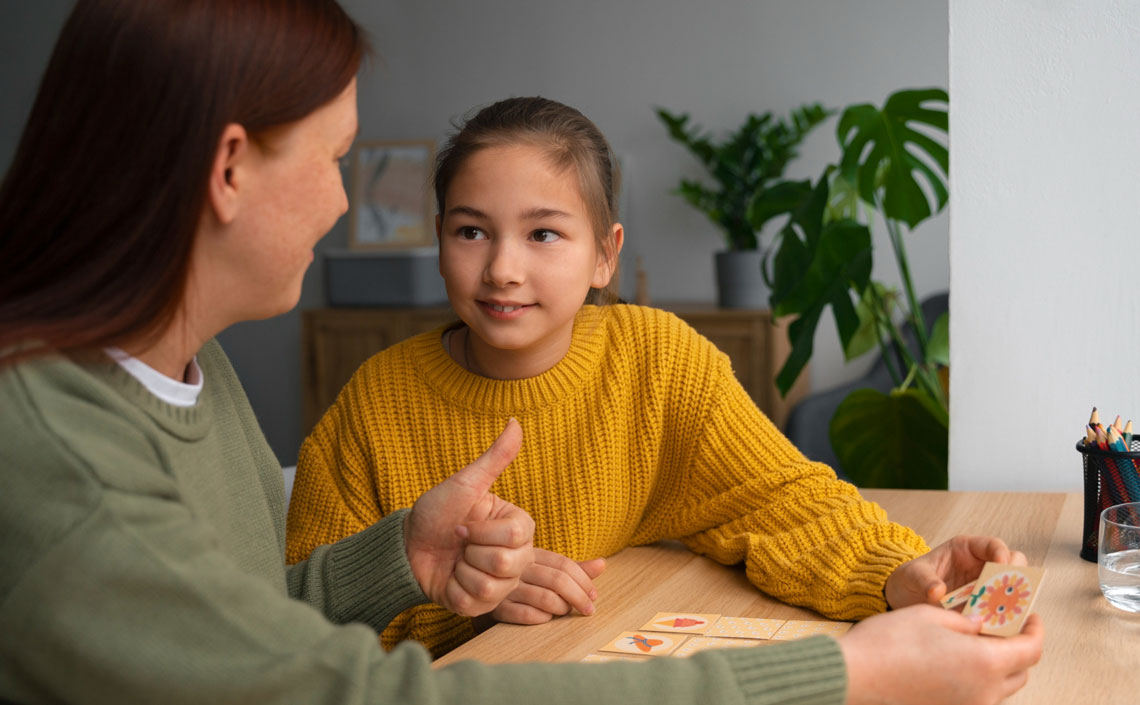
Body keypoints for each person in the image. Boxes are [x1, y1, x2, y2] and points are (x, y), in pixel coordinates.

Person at [0, 2, 1042, 704]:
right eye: (335, 160)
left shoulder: (189, 372)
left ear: (603, 254)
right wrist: (842, 677)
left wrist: (401, 559)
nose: (342, 197)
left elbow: (242, 641)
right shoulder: (62, 461)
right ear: (231, 169)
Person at [286, 94, 1043, 677]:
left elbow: (781, 499)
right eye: (471, 230)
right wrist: (459, 607)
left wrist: (896, 574)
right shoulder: (374, 402)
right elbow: (294, 627)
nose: (503, 269)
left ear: (605, 255)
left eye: (544, 233)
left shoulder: (658, 359)